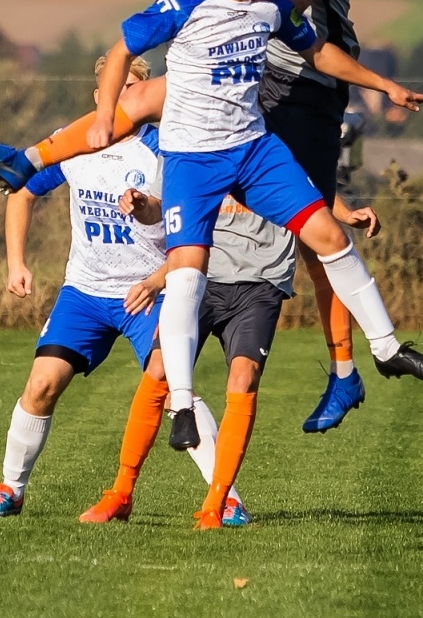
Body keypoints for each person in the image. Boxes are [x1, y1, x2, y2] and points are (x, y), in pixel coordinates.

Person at [0, 0, 423, 434]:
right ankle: (26, 160)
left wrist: (382, 85)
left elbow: (279, 7)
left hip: (304, 90)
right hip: (259, 82)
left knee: (319, 244)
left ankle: (347, 369)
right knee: (137, 106)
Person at [0, 56, 244, 523]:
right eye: (114, 89)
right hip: (85, 292)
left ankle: (227, 497)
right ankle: (10, 491)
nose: (123, 97)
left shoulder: (166, 149)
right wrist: (16, 262)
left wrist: (157, 273)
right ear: (100, 96)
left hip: (150, 294)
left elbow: (195, 223)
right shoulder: (76, 141)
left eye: (134, 89)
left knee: (177, 388)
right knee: (41, 385)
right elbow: (21, 190)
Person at [79, 189, 348, 528]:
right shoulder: (189, 141)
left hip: (259, 285)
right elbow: (167, 210)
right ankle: (120, 494)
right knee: (160, 371)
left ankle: (218, 504)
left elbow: (312, 177)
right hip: (197, 276)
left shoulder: (277, 139)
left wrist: (346, 212)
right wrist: (146, 219)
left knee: (243, 378)